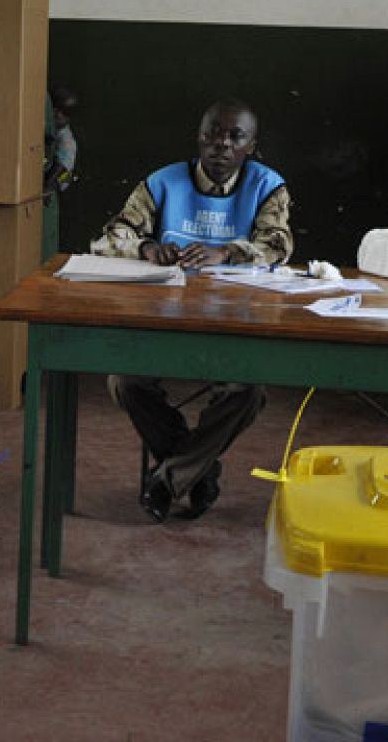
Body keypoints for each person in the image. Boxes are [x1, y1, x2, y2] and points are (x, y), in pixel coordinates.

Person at [91, 98, 293, 521]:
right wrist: (145, 246)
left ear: (252, 146)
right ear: (198, 138)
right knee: (125, 381)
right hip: (166, 318)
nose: (221, 144)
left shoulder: (266, 185)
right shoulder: (164, 182)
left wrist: (226, 253)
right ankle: (196, 471)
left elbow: (278, 246)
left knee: (247, 392)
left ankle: (169, 478)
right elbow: (109, 237)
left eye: (235, 136)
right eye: (212, 133)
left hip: (234, 321)